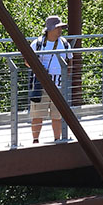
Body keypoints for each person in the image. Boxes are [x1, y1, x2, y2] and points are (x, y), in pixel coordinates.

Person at [28, 15, 73, 143]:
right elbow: (28, 61)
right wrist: (40, 71)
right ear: (50, 29)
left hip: (58, 85)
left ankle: (57, 140)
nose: (60, 31)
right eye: (58, 28)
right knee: (37, 116)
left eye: (61, 28)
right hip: (41, 85)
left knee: (57, 116)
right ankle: (35, 140)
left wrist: (67, 75)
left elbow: (70, 59)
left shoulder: (64, 43)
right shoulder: (37, 44)